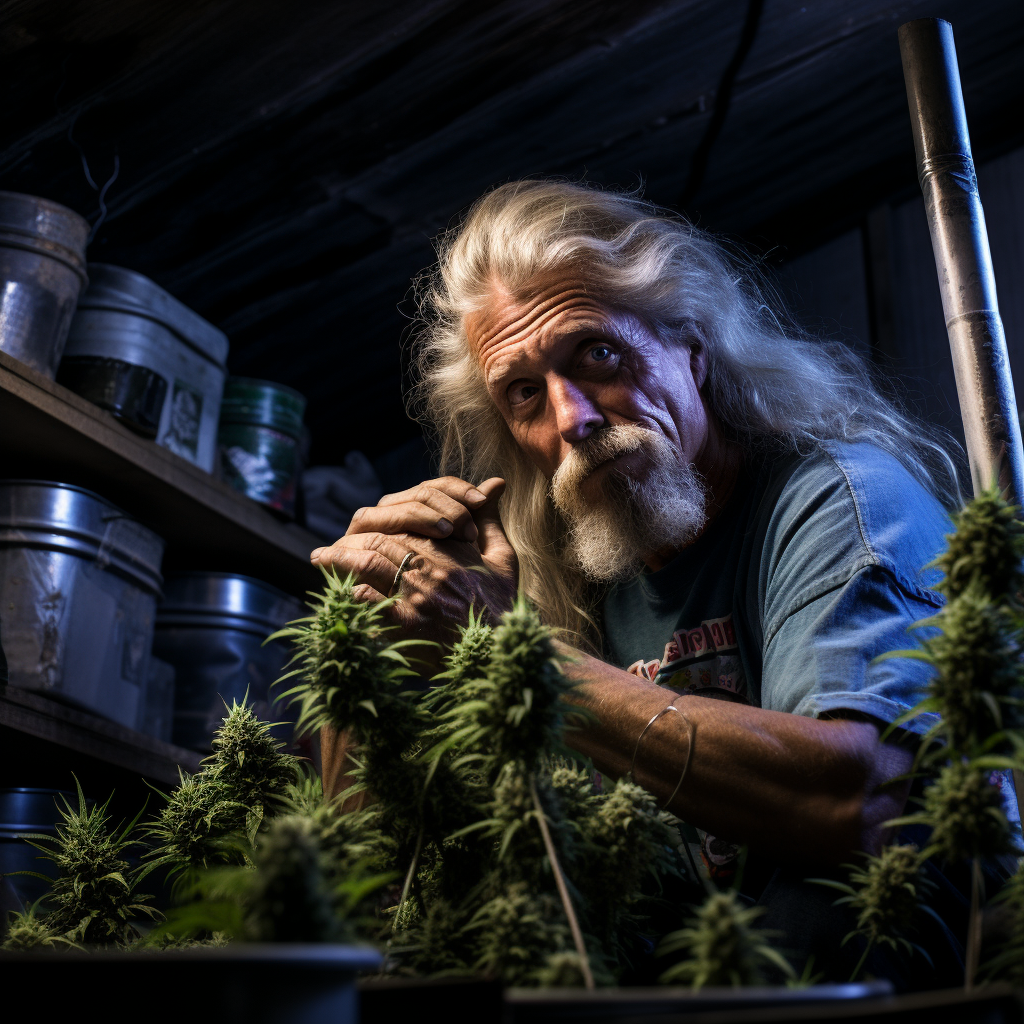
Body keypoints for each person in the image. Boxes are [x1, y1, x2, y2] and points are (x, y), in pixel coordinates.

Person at [309, 181, 971, 984]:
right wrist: (366, 646)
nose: (571, 417)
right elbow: (369, 882)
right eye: (524, 392)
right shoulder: (551, 572)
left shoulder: (843, 500)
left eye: (597, 353)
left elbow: (863, 801)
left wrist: (515, 659)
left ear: (692, 348)